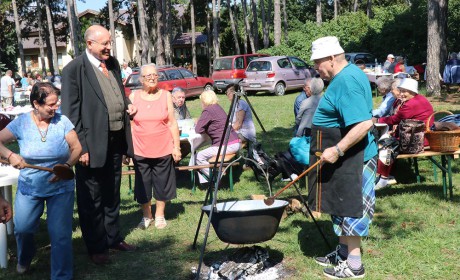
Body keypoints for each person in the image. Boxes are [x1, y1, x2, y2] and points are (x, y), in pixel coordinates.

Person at [61, 24, 137, 265]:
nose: (108, 47)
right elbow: (70, 113)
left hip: (115, 140)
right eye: (104, 43)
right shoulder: (74, 70)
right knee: (90, 198)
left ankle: (113, 238)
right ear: (89, 44)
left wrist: (127, 103)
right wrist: (80, 147)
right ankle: (96, 246)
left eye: (109, 43)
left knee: (111, 192)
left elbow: (117, 93)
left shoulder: (112, 64)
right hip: (90, 145)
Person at [308, 36, 377, 279]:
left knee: (349, 207)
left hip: (352, 156)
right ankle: (343, 253)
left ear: (330, 59)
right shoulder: (343, 77)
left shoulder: (347, 81)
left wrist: (337, 150)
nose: (316, 68)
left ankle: (354, 265)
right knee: (338, 204)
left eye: (318, 63)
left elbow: (364, 123)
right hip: (343, 154)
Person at [0, 82, 81, 278]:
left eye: (56, 103)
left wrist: (67, 166)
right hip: (30, 187)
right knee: (23, 228)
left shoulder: (63, 122)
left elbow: (77, 148)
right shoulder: (21, 123)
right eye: (50, 105)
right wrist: (11, 155)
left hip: (61, 187)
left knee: (60, 234)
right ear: (36, 103)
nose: (55, 108)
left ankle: (61, 276)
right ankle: (25, 258)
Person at [129, 63, 181, 230]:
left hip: (163, 148)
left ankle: (159, 215)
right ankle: (146, 215)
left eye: (154, 75)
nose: (152, 78)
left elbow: (172, 123)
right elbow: (128, 125)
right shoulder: (133, 96)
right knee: (143, 183)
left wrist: (176, 147)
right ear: (141, 79)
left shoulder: (166, 95)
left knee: (162, 183)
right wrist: (128, 151)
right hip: (140, 149)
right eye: (147, 76)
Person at [373, 78, 433, 190]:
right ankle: (383, 175)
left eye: (404, 91)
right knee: (387, 141)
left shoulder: (411, 104)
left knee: (386, 145)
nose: (402, 94)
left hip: (417, 140)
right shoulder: (419, 99)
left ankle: (384, 178)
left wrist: (377, 120)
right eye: (401, 91)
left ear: (413, 92)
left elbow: (395, 119)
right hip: (417, 135)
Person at [195, 90, 241, 184]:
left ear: (204, 101)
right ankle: (208, 180)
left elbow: (198, 129)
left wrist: (198, 122)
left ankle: (214, 178)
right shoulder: (217, 107)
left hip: (227, 145)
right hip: (235, 141)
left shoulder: (208, 110)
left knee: (199, 156)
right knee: (207, 154)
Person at [225, 84, 262, 165]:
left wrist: (226, 132)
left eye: (229, 92)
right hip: (240, 132)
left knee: (224, 140)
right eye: (227, 92)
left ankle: (224, 162)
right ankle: (227, 162)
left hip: (245, 134)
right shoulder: (235, 104)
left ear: (235, 93)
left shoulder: (241, 104)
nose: (228, 94)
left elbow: (238, 124)